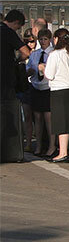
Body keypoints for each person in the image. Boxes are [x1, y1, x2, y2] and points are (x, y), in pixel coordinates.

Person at [43, 30, 69, 163]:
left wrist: (42, 69)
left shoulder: (55, 55)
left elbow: (49, 75)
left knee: (61, 123)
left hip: (59, 91)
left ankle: (62, 153)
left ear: (56, 39)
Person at [1, 10, 30, 163]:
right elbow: (26, 52)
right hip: (5, 81)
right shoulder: (9, 33)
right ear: (16, 23)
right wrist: (17, 61)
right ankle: (9, 151)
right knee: (7, 116)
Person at [26, 29, 55, 157]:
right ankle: (38, 146)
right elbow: (27, 71)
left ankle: (52, 145)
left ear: (50, 40)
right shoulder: (35, 54)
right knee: (37, 117)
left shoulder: (53, 54)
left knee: (48, 118)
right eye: (41, 39)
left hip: (48, 88)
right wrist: (32, 70)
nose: (43, 42)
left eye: (45, 39)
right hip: (36, 87)